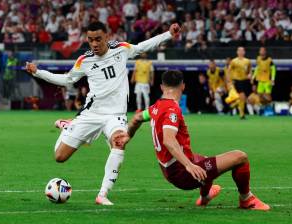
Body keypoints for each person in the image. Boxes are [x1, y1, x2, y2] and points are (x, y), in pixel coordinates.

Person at [25, 21, 181, 205]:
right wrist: (38, 72)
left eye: (98, 39)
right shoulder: (84, 60)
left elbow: (143, 46)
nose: (94, 44)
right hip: (91, 114)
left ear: (107, 36)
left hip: (115, 116)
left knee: (119, 142)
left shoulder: (121, 49)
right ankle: (67, 126)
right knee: (60, 157)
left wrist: (169, 34)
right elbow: (67, 80)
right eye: (90, 40)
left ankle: (102, 194)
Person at [116, 70, 269, 210]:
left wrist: (129, 134)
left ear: (162, 87)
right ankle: (246, 200)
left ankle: (205, 197)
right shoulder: (171, 109)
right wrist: (189, 165)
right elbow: (169, 141)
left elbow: (136, 118)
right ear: (183, 86)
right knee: (240, 157)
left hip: (168, 170)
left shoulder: (156, 107)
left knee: (204, 160)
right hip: (181, 173)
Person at [228, 47, 252, 119]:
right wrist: (229, 81)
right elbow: (229, 70)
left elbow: (250, 70)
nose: (241, 52)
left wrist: (250, 75)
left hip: (245, 81)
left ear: (244, 52)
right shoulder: (234, 61)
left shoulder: (247, 61)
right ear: (237, 52)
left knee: (244, 98)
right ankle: (242, 114)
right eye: (239, 50)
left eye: (242, 50)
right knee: (242, 96)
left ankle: (233, 105)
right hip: (237, 81)